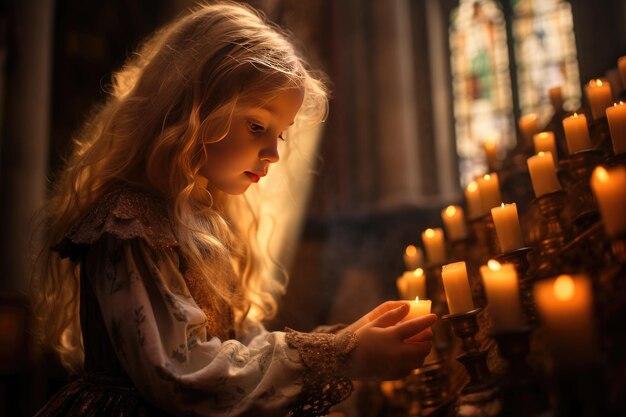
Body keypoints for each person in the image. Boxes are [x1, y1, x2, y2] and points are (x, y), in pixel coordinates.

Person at [32, 2, 437, 416]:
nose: (274, 154)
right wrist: (341, 355)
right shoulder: (129, 221)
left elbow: (239, 350)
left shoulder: (205, 221)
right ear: (191, 107)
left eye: (281, 134)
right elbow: (184, 371)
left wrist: (347, 339)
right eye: (258, 126)